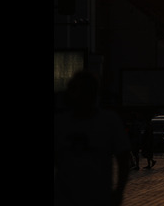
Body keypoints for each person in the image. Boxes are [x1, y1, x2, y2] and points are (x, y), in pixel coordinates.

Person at [54, 70, 132, 206]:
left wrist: (119, 191)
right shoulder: (60, 123)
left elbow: (124, 159)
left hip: (97, 198)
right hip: (67, 198)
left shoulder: (109, 122)